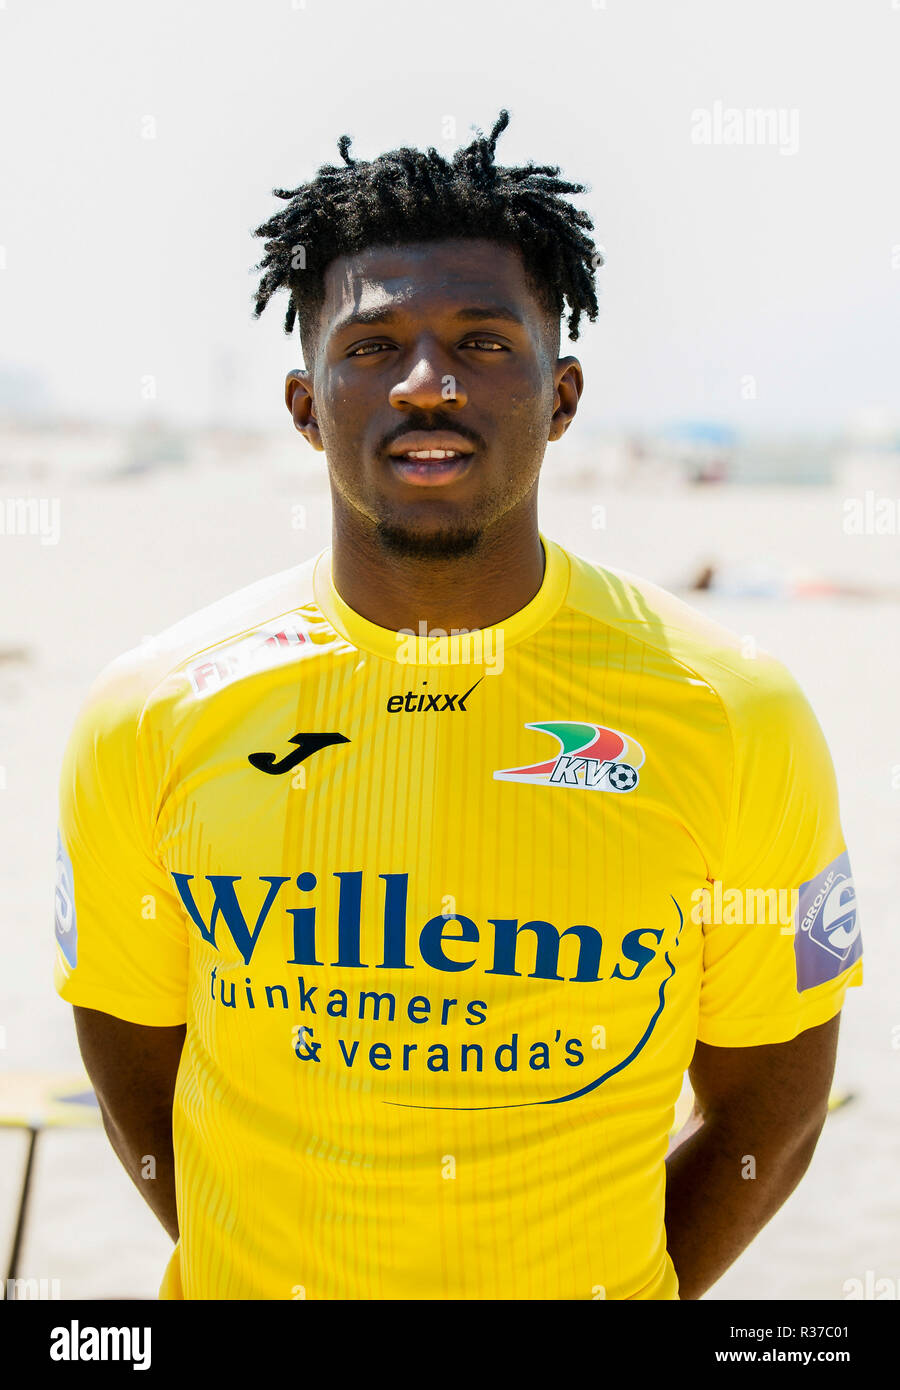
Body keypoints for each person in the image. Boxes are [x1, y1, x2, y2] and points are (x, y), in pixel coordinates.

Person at [53, 110, 862, 1301]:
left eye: (484, 343)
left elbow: (773, 1109)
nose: (428, 385)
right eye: (372, 347)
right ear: (303, 402)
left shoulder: (732, 710)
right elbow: (134, 1063)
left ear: (564, 390)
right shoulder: (151, 711)